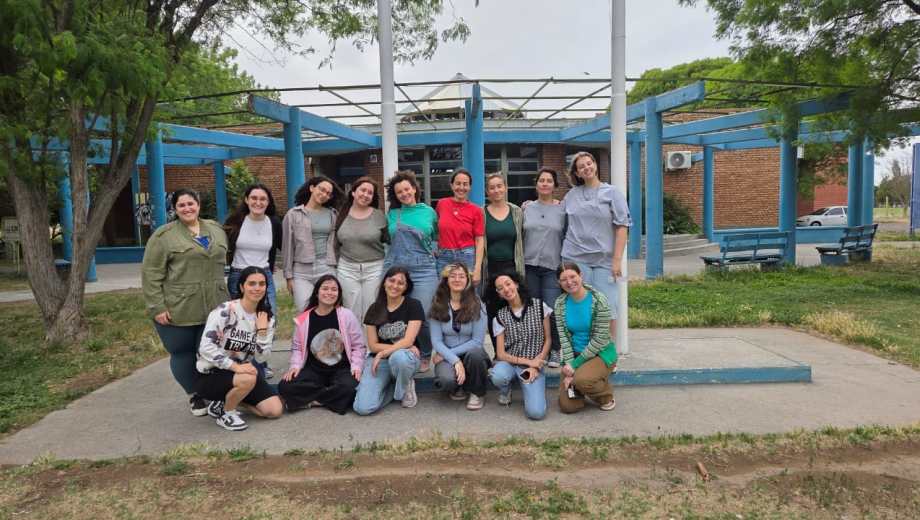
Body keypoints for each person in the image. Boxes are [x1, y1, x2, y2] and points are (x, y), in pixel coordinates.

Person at [142, 188, 230, 417]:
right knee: (183, 353)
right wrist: (157, 307)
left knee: (213, 351)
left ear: (198, 204)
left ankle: (215, 392)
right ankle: (195, 394)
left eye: (191, 203)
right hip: (180, 307)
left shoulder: (216, 230)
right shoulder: (163, 237)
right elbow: (151, 274)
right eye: (181, 205)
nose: (187, 208)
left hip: (215, 304)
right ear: (175, 209)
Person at [194, 266, 283, 431]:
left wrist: (262, 332)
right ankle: (227, 413)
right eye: (252, 284)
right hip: (211, 373)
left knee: (274, 410)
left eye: (262, 284)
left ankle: (225, 402)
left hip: (243, 373)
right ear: (242, 287)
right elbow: (206, 347)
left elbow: (262, 358)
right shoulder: (225, 311)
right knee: (247, 378)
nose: (257, 288)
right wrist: (236, 367)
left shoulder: (266, 318)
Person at [561, 151, 631, 343]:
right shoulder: (571, 195)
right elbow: (556, 211)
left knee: (607, 306)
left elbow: (622, 226)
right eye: (581, 166)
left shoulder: (612, 193)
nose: (586, 168)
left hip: (605, 261)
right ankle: (583, 348)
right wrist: (531, 205)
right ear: (577, 173)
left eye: (589, 163)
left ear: (595, 165)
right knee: (580, 306)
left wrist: (617, 261)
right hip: (575, 258)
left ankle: (606, 350)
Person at [278, 275, 366, 415]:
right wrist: (295, 366)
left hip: (341, 369)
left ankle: (312, 400)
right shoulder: (304, 318)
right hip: (314, 370)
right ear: (316, 293)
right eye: (325, 288)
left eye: (334, 289)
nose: (329, 292)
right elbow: (297, 348)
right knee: (285, 386)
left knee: (352, 387)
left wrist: (357, 366)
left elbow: (358, 346)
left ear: (338, 294)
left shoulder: (346, 315)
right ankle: (331, 398)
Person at [224, 183, 282, 379]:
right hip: (238, 275)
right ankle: (241, 363)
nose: (258, 202)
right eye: (254, 198)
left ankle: (261, 362)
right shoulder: (236, 221)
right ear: (246, 200)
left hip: (263, 276)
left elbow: (280, 247)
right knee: (239, 322)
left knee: (268, 319)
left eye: (263, 199)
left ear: (268, 202)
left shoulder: (273, 223)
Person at [382, 171, 438, 372]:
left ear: (414, 189)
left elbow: (437, 237)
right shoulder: (392, 214)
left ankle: (425, 353)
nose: (404, 194)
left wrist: (435, 251)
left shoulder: (429, 212)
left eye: (407, 189)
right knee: (398, 316)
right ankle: (406, 352)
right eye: (399, 192)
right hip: (397, 269)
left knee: (422, 315)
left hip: (424, 270)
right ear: (396, 196)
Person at [353, 267, 425, 415]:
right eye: (392, 280)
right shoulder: (374, 309)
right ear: (384, 282)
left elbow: (409, 340)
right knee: (362, 408)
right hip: (381, 362)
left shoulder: (414, 305)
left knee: (399, 357)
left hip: (406, 359)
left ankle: (404, 381)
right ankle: (396, 387)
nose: (395, 285)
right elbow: (373, 345)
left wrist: (384, 352)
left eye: (401, 283)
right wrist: (397, 348)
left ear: (406, 287)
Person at [554, 262, 617, 414]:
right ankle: (582, 383)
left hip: (600, 354)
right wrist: (569, 366)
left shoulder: (599, 300)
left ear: (580, 276)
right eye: (564, 279)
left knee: (582, 380)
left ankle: (605, 396)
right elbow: (564, 338)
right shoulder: (560, 303)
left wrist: (574, 366)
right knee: (568, 406)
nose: (569, 282)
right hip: (575, 354)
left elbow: (600, 340)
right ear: (559, 283)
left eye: (572, 276)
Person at [489, 272, 551, 420]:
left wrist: (535, 366)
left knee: (536, 413)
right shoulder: (500, 316)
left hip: (534, 364)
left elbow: (548, 340)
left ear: (516, 284)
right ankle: (506, 390)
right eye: (500, 288)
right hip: (511, 363)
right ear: (498, 294)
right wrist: (529, 362)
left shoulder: (539, 306)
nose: (506, 289)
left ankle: (528, 387)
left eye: (508, 283)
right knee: (498, 376)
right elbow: (501, 354)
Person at [429, 263, 489, 410]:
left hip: (470, 353)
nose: (457, 279)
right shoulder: (438, 304)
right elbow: (436, 341)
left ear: (467, 280)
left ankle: (477, 392)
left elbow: (477, 341)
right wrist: (454, 360)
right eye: (453, 276)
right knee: (446, 380)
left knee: (476, 355)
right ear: (446, 280)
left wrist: (449, 355)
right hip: (447, 354)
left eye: (461, 276)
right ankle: (458, 386)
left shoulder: (477, 304)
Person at [522, 168, 566, 367]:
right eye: (542, 180)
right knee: (533, 310)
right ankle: (540, 349)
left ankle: (555, 349)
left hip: (552, 267)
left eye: (549, 180)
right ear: (536, 184)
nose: (545, 183)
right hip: (529, 265)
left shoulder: (562, 210)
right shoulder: (526, 208)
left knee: (552, 309)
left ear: (555, 185)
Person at [282, 176, 343, 313]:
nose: (324, 194)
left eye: (328, 193)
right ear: (312, 188)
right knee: (305, 311)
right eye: (322, 189)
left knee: (328, 310)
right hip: (301, 271)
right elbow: (287, 247)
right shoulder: (293, 214)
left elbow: (338, 243)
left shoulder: (333, 214)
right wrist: (288, 276)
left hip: (326, 267)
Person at [334, 177, 388, 325]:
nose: (365, 194)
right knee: (351, 310)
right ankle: (353, 340)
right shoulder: (340, 214)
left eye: (370, 193)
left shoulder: (378, 215)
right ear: (353, 192)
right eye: (362, 190)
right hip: (347, 268)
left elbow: (388, 240)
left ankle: (369, 340)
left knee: (371, 309)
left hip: (374, 268)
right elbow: (335, 242)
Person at [435, 169, 485, 284]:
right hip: (444, 257)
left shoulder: (476, 210)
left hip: (466, 256)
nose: (461, 187)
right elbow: (436, 229)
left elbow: (479, 240)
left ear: (470, 187)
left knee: (467, 292)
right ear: (452, 185)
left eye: (465, 184)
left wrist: (477, 268)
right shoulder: (442, 204)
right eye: (458, 183)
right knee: (442, 291)